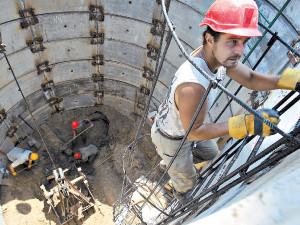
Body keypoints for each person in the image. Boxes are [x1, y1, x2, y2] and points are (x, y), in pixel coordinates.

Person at [151, 0, 300, 200]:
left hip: (183, 130)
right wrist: (246, 124)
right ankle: (178, 189)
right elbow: (194, 132)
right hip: (170, 137)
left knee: (211, 151)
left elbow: (250, 79)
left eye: (244, 42)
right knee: (188, 181)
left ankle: (172, 163)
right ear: (210, 38)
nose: (240, 50)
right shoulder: (193, 86)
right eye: (233, 41)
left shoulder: (218, 57)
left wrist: (291, 80)